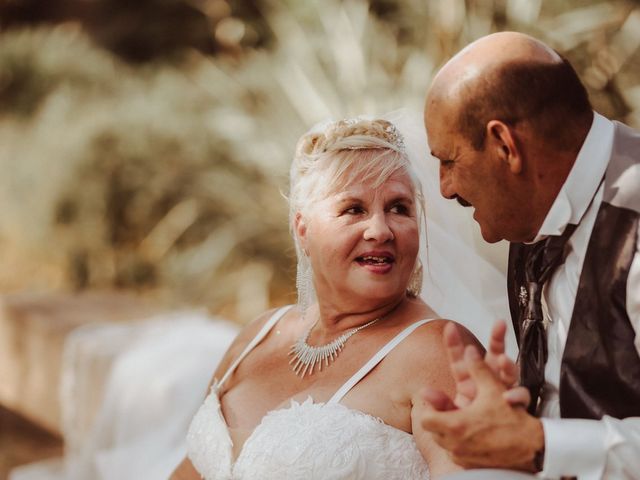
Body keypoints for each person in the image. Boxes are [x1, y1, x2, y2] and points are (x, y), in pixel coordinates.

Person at [170, 117, 484, 479]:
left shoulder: (440, 352)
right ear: (303, 230)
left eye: (399, 208)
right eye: (354, 209)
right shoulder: (256, 336)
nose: (381, 230)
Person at [416, 31, 640, 479]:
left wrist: (537, 444)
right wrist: (516, 408)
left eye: (448, 160)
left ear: (505, 146)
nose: (444, 187)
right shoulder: (530, 210)